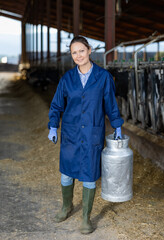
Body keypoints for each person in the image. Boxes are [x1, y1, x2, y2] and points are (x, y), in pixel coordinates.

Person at [48, 35, 124, 234]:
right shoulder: (67, 79)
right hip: (71, 134)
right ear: (71, 55)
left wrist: (117, 126)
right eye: (74, 52)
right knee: (66, 174)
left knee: (89, 176)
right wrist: (53, 126)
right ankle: (67, 207)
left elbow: (110, 104)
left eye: (81, 50)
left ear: (89, 50)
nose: (78, 55)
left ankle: (86, 218)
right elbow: (56, 105)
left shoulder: (103, 77)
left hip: (92, 133)